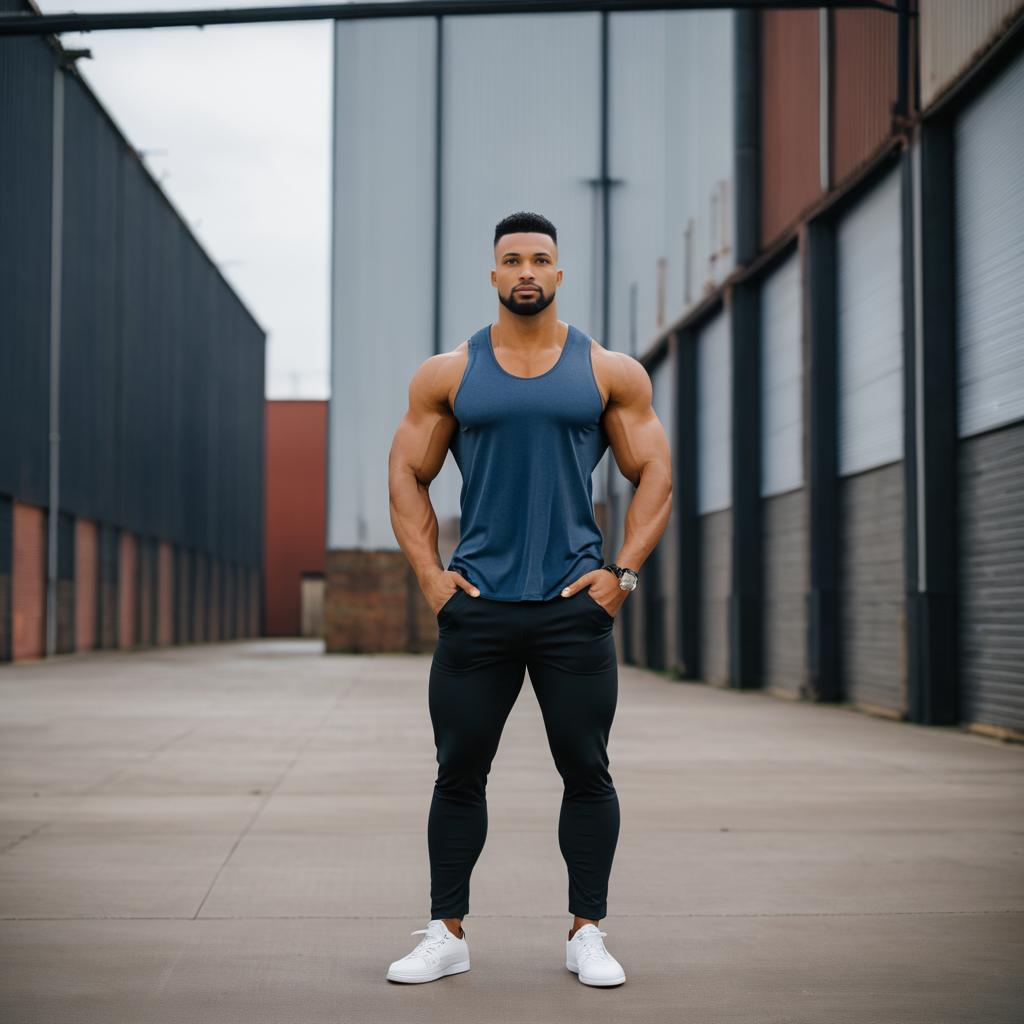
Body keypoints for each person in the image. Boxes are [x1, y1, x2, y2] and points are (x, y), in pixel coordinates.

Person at [385, 210, 672, 986]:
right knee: (457, 773)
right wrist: (432, 580)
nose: (525, 272)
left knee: (587, 772)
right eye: (511, 259)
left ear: (558, 272)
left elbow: (655, 472)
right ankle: (446, 931)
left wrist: (624, 576)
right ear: (493, 274)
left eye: (539, 259)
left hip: (572, 610)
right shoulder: (448, 374)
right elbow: (407, 472)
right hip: (476, 608)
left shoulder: (608, 372)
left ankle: (588, 932)